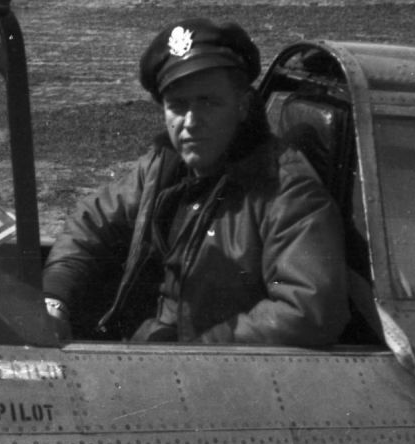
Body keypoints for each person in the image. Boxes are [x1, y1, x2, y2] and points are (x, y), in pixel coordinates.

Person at [42, 18, 350, 346]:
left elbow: (308, 310)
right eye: (177, 105)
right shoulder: (163, 168)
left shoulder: (286, 190)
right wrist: (54, 299)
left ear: (243, 106)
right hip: (155, 349)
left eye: (208, 102)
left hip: (209, 367)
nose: (190, 122)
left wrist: (199, 352)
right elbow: (91, 221)